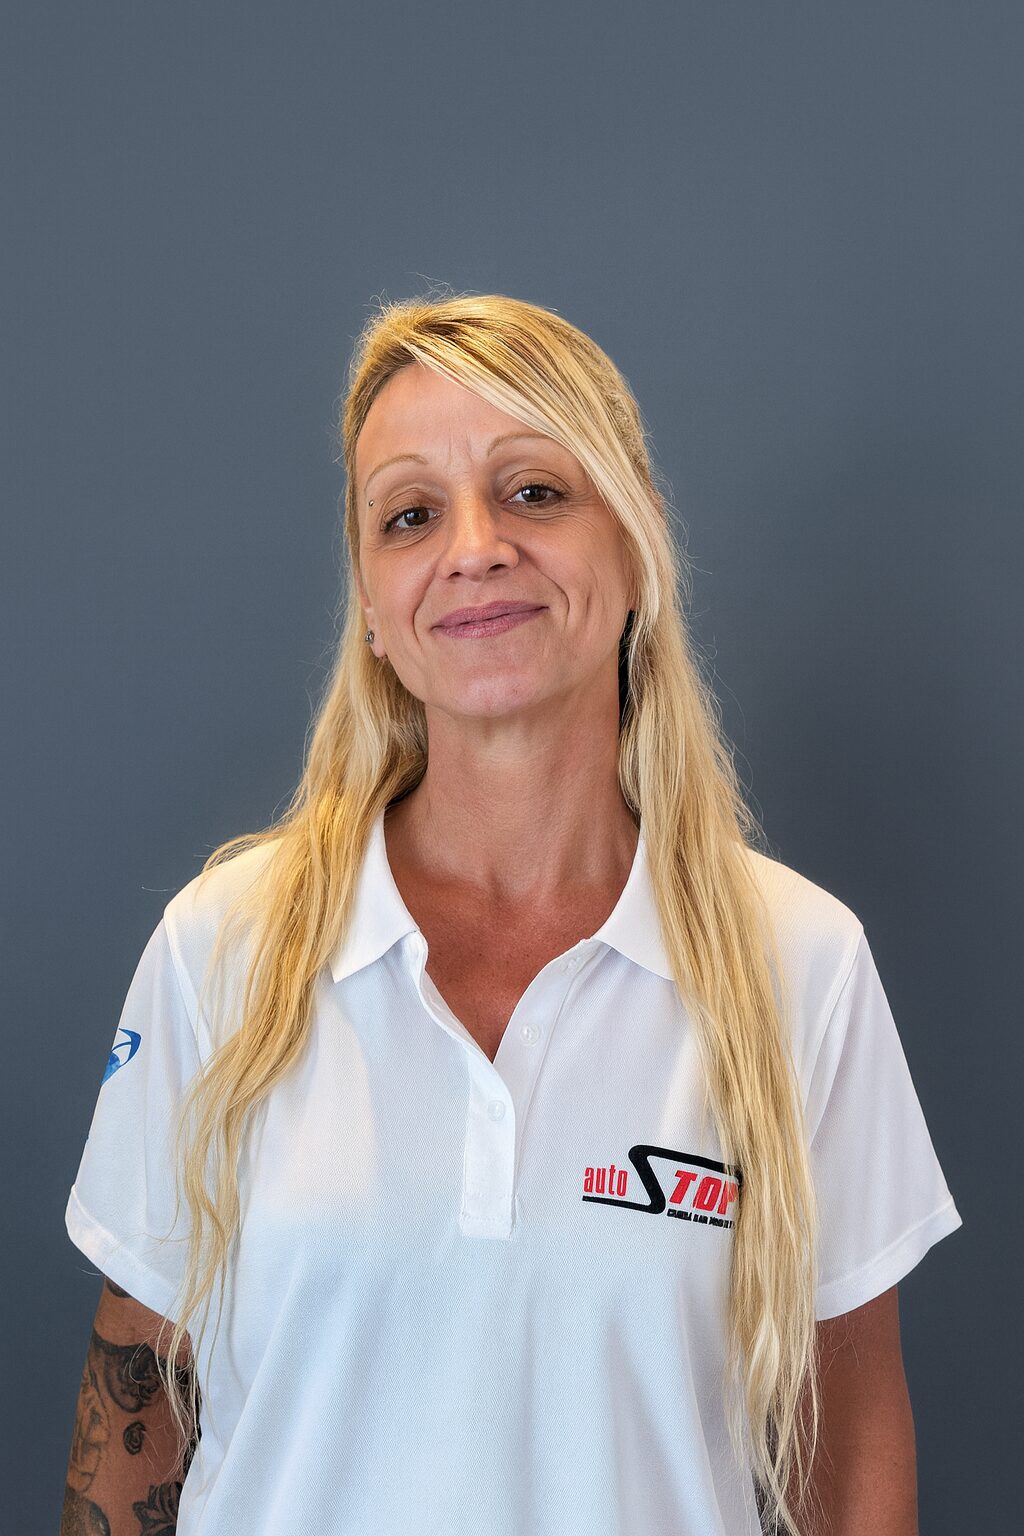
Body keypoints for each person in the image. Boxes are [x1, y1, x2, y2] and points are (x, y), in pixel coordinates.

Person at [63, 292, 962, 1536]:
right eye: (410, 515)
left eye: (535, 491)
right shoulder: (223, 948)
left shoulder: (799, 962)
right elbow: (133, 1410)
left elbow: (849, 1446)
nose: (475, 548)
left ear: (635, 546)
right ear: (372, 606)